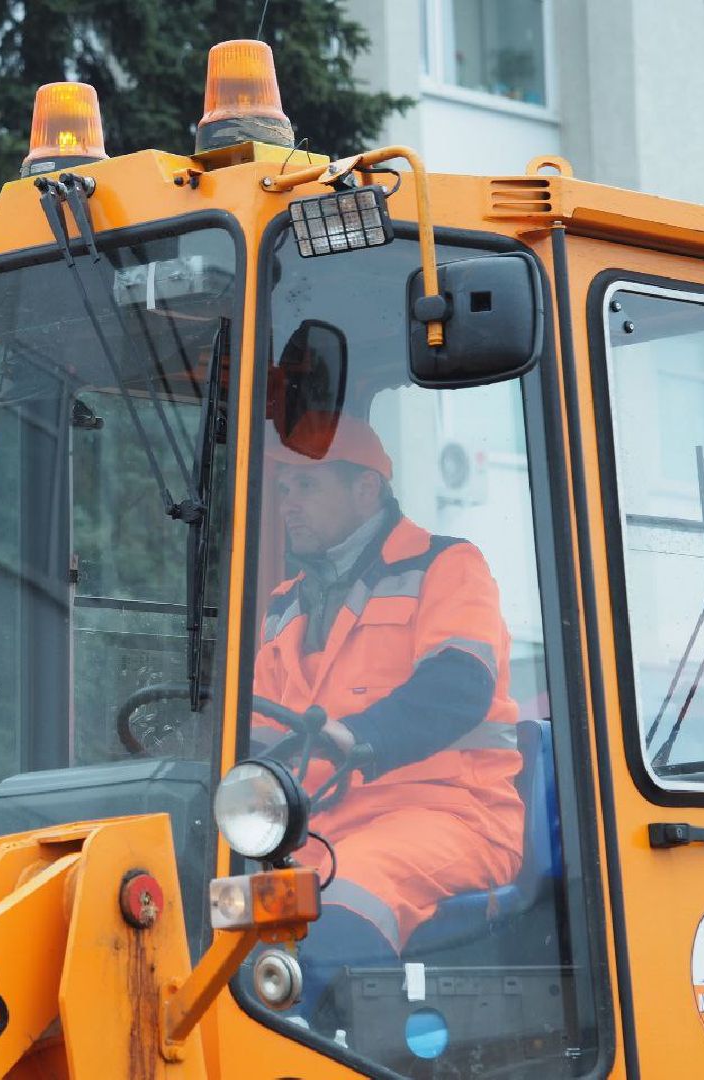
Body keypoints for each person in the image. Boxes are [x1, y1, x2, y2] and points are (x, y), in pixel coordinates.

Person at [252, 412, 524, 1018]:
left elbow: (460, 683)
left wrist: (361, 737)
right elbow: (262, 737)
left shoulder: (448, 567)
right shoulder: (282, 607)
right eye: (284, 488)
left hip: (447, 811)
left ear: (365, 489)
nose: (289, 503)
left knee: (342, 916)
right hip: (322, 825)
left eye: (307, 486)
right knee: (226, 924)